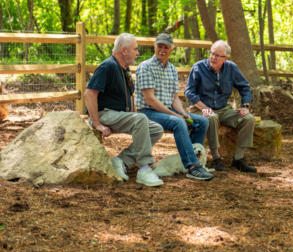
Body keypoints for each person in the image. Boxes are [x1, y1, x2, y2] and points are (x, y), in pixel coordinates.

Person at [84, 33, 165, 187]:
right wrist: (97, 123)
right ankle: (144, 168)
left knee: (156, 129)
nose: (138, 53)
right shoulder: (107, 66)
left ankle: (121, 161)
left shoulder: (124, 70)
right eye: (135, 49)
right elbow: (89, 94)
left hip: (119, 115)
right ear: (124, 50)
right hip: (103, 114)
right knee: (140, 119)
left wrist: (132, 115)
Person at [135, 33, 214, 181]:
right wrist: (176, 116)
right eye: (160, 46)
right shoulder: (145, 67)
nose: (162, 50)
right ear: (154, 46)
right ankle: (192, 166)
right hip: (147, 111)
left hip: (167, 112)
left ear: (172, 49)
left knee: (202, 122)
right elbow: (150, 100)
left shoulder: (172, 69)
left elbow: (174, 98)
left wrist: (183, 113)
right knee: (178, 122)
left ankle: (185, 162)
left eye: (166, 47)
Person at [185, 40, 257, 173]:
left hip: (224, 109)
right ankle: (216, 158)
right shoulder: (198, 67)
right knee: (211, 117)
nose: (213, 58)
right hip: (200, 108)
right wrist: (204, 108)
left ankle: (238, 159)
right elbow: (189, 92)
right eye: (212, 54)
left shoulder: (231, 68)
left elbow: (244, 87)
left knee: (248, 119)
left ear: (225, 58)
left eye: (218, 55)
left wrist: (245, 106)